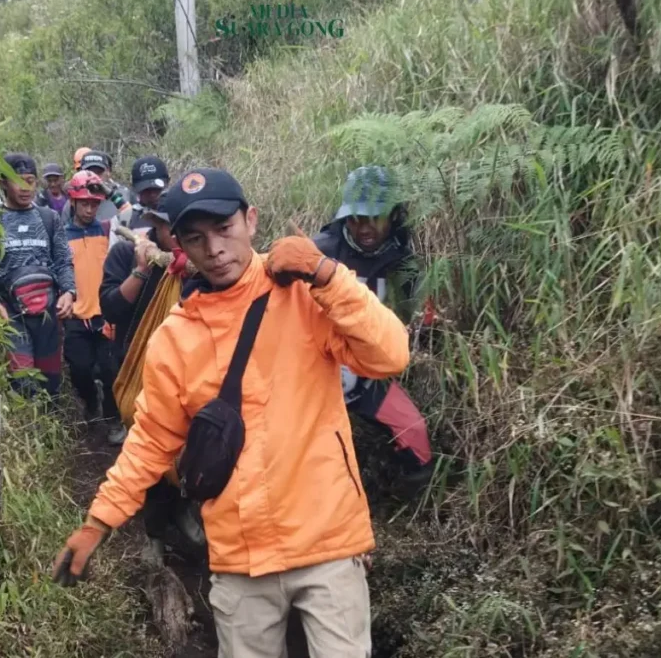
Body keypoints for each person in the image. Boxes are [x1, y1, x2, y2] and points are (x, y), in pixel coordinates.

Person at [53, 167, 411, 657]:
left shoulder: (304, 293)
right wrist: (98, 523)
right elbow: (150, 442)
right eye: (197, 238)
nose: (215, 248)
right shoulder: (176, 338)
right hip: (240, 558)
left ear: (252, 221)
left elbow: (390, 355)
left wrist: (328, 275)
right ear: (180, 246)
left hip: (326, 542)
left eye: (225, 229)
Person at [98, 165, 205, 560]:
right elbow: (109, 306)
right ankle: (154, 535)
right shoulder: (128, 253)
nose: (173, 238)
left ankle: (182, 512)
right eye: (166, 228)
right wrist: (143, 271)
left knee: (190, 451)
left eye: (180, 230)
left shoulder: (198, 268)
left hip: (191, 376)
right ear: (153, 226)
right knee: (154, 452)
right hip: (139, 370)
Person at [313, 165, 435, 487]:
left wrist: (427, 324)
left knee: (416, 438)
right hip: (315, 375)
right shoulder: (320, 251)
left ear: (393, 216)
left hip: (365, 375)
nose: (364, 227)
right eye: (356, 218)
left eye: (374, 217)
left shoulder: (401, 260)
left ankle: (394, 495)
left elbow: (418, 314)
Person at [0, 153, 76, 400]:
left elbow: (63, 261)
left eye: (30, 181)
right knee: (22, 382)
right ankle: (28, 431)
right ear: (2, 184)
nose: (25, 188)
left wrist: (70, 293)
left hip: (48, 313)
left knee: (50, 382)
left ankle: (50, 428)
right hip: (10, 314)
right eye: (18, 181)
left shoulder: (48, 218)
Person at [62, 170, 125, 442]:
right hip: (76, 317)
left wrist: (110, 191)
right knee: (79, 370)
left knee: (111, 371)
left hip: (104, 316)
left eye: (94, 203)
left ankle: (113, 420)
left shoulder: (108, 230)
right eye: (84, 203)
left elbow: (129, 213)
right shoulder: (61, 235)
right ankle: (90, 402)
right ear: (73, 203)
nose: (89, 209)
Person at [125, 155, 170, 232]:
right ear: (135, 189)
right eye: (146, 190)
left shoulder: (179, 214)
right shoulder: (126, 218)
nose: (152, 194)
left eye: (157, 189)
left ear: (168, 183)